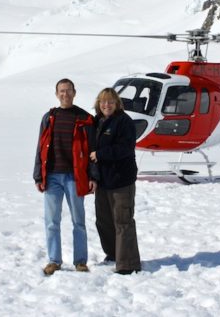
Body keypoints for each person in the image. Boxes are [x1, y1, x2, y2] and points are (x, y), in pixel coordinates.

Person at [34, 78, 98, 276]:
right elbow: (40, 147)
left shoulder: (85, 118)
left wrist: (92, 176)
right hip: (52, 176)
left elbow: (93, 152)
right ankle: (54, 260)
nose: (65, 94)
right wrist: (38, 175)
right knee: (51, 221)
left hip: (74, 176)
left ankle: (80, 261)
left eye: (68, 91)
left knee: (78, 221)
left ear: (74, 92)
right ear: (56, 94)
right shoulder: (49, 117)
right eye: (61, 91)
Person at [89, 87, 142, 274]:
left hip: (121, 180)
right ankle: (112, 254)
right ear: (98, 103)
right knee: (103, 221)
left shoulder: (124, 121)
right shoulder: (97, 121)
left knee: (123, 221)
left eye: (111, 101)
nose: (107, 105)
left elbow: (125, 148)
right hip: (103, 181)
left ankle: (128, 263)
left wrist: (100, 154)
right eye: (103, 101)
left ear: (117, 103)